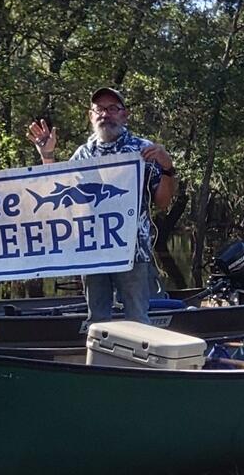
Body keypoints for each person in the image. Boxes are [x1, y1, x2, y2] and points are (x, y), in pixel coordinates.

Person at [26, 87, 176, 324]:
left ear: (124, 115)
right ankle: (101, 359)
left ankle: (138, 361)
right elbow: (59, 196)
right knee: (97, 321)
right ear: (91, 115)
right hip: (92, 252)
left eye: (113, 109)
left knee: (138, 320)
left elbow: (162, 202)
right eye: (100, 109)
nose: (106, 114)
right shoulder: (82, 154)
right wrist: (47, 155)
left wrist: (167, 167)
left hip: (132, 252)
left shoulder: (144, 150)